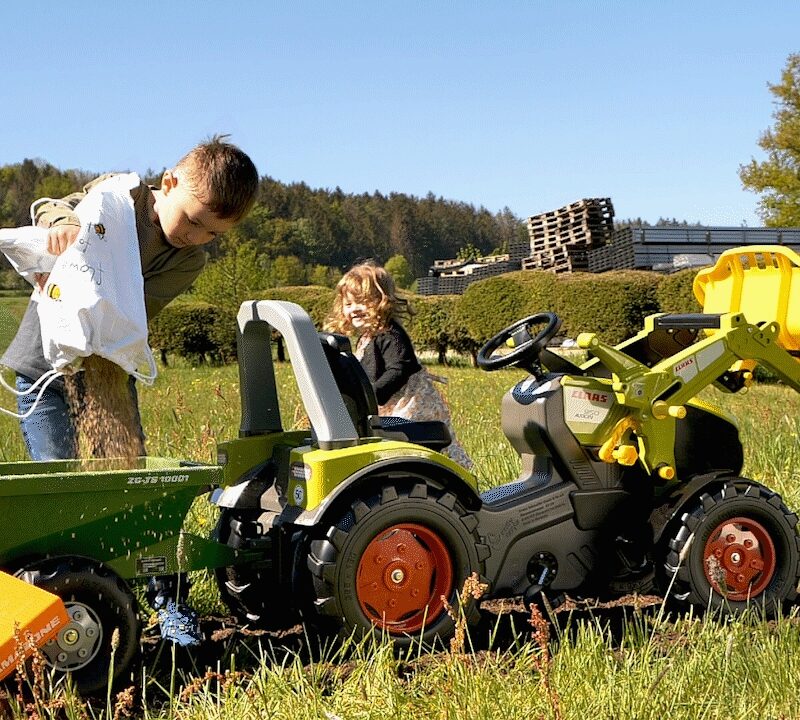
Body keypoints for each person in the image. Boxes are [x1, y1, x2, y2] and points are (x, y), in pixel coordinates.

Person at [2, 134, 259, 461]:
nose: (194, 237)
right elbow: (56, 208)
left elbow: (133, 313)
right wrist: (65, 225)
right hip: (42, 370)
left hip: (105, 376)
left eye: (212, 233)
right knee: (57, 474)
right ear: (169, 183)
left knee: (125, 469)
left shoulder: (188, 261)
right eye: (192, 220)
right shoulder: (122, 194)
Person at [326, 261, 472, 468]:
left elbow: (399, 369)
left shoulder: (391, 335)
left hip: (412, 408)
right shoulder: (367, 338)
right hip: (390, 407)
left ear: (381, 301)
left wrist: (370, 396)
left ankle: (450, 471)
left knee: (424, 452)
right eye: (348, 304)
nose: (354, 310)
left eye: (362, 302)